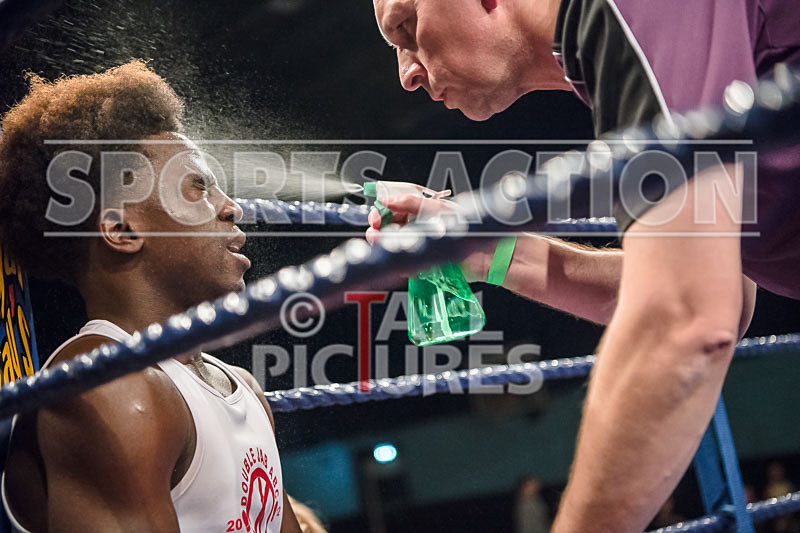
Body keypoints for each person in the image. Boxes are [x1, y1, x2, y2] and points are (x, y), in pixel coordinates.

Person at [369, 0, 800, 530]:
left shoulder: (637, 12)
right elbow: (727, 286)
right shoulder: (615, 54)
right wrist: (487, 250)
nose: (406, 74)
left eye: (407, 29)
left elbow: (682, 318)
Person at [0, 61, 306, 532]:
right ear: (123, 229)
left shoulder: (243, 388)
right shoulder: (105, 385)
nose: (231, 206)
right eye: (198, 187)